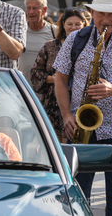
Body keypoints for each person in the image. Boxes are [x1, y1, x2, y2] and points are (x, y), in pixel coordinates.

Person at [53, 0, 112, 212]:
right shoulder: (76, 39)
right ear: (92, 12)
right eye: (101, 14)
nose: (106, 20)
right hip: (81, 129)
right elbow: (60, 79)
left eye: (111, 15)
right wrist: (67, 115)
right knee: (77, 196)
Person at [31, 8, 88, 143]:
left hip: (79, 107)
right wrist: (53, 79)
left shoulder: (90, 47)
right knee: (53, 148)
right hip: (52, 105)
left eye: (77, 24)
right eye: (70, 24)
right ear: (63, 25)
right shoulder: (50, 46)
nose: (73, 28)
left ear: (84, 25)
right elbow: (35, 74)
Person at [18, 0, 56, 85]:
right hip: (23, 89)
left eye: (35, 8)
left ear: (44, 10)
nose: (31, 12)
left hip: (46, 93)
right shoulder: (19, 30)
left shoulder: (55, 31)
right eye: (28, 8)